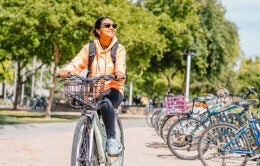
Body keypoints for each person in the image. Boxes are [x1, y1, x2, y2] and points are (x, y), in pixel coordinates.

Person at [58, 16, 126, 156]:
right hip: (94, 90)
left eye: (114, 25)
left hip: (113, 88)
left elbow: (120, 63)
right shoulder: (89, 48)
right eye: (107, 25)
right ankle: (83, 159)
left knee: (106, 103)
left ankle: (112, 140)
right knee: (87, 120)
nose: (112, 28)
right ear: (97, 30)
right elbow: (76, 63)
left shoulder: (118, 49)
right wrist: (67, 70)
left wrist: (119, 72)